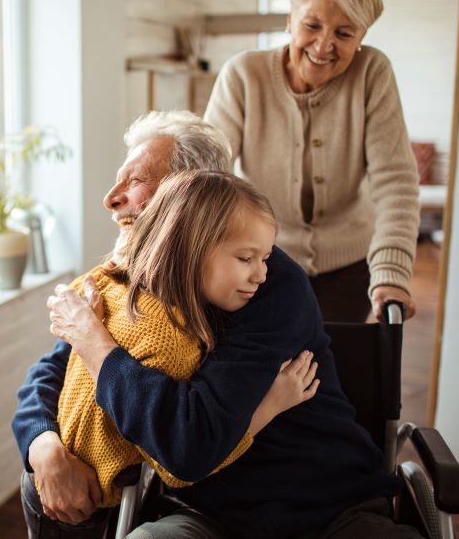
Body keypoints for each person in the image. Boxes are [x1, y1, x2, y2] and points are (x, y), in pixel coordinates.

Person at [15, 110, 422, 538]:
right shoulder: (134, 275)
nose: (111, 199)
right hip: (205, 514)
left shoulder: (268, 286)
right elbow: (54, 370)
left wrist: (93, 340)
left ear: (193, 193)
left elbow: (187, 446)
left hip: (329, 508)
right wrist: (44, 445)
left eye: (135, 181)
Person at [24, 170, 320, 536]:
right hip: (89, 497)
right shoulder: (164, 333)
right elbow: (179, 463)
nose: (261, 274)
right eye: (247, 258)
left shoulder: (113, 288)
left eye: (265, 259)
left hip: (70, 484)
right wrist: (266, 408)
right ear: (191, 241)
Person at [203, 0, 420, 322]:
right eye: (312, 25)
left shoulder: (372, 73)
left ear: (362, 36)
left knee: (335, 354)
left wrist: (392, 275)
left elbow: (396, 184)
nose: (323, 46)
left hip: (349, 269)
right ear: (290, 20)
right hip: (264, 263)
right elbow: (206, 171)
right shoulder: (243, 75)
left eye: (344, 33)